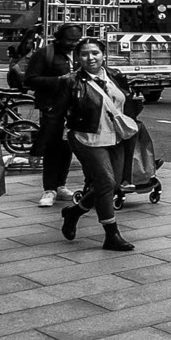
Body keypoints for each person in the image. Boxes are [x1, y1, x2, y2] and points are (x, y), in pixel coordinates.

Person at [57, 39, 147, 251]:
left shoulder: (115, 75)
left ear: (103, 55)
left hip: (117, 137)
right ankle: (111, 235)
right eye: (85, 54)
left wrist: (135, 106)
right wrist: (42, 146)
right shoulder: (70, 81)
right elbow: (56, 113)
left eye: (95, 53)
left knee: (112, 185)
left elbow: (125, 104)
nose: (91, 58)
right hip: (86, 138)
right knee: (106, 181)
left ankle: (74, 212)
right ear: (78, 58)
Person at [24, 23, 85, 208]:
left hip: (74, 108)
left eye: (77, 40)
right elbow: (30, 80)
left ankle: (60, 185)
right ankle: (49, 189)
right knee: (52, 147)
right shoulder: (45, 54)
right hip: (52, 107)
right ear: (59, 38)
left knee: (67, 147)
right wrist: (59, 80)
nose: (73, 44)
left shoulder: (80, 53)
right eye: (69, 40)